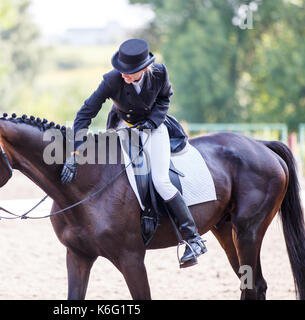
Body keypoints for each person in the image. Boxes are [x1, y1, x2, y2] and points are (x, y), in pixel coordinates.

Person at [60, 38, 207, 267]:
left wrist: (152, 122)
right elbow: (85, 112)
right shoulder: (111, 80)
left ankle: (193, 238)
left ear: (145, 68)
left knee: (161, 180)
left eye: (130, 73)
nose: (124, 76)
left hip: (154, 128)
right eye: (122, 71)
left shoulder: (159, 73)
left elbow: (164, 98)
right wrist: (75, 151)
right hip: (123, 128)